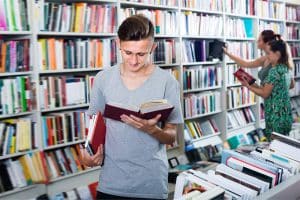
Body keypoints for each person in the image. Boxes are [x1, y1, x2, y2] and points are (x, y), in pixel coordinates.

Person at [79, 14, 183, 200]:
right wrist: (87, 155)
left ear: (153, 47)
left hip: (150, 185)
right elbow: (93, 128)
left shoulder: (167, 82)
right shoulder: (103, 78)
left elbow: (171, 137)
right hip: (111, 184)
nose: (134, 61)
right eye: (128, 52)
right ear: (118, 43)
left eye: (141, 54)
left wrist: (152, 130)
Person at [238, 38, 293, 138]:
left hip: (275, 115)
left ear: (277, 54)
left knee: (274, 146)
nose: (267, 56)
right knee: (284, 145)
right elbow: (291, 85)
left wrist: (248, 87)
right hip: (286, 114)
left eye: (268, 53)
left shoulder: (274, 71)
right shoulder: (286, 68)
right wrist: (251, 83)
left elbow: (264, 94)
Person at [223, 30, 295, 87]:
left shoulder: (276, 60)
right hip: (268, 101)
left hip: (275, 101)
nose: (257, 41)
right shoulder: (264, 59)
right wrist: (228, 53)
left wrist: (273, 90)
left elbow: (291, 84)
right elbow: (245, 64)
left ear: (267, 43)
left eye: (260, 40)